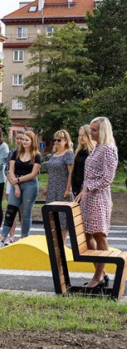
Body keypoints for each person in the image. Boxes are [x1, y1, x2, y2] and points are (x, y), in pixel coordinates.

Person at [75, 117, 118, 289]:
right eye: (91, 129)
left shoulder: (108, 149)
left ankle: (98, 275)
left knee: (99, 234)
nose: (90, 132)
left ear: (103, 131)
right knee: (87, 236)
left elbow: (108, 178)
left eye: (94, 130)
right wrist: (83, 191)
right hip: (88, 197)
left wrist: (88, 188)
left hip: (99, 197)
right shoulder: (97, 148)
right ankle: (102, 273)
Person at [0, 131, 41, 250]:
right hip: (16, 183)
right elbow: (10, 170)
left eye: (26, 140)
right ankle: (2, 238)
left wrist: (17, 180)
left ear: (32, 141)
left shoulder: (36, 155)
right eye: (23, 140)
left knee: (26, 213)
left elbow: (33, 174)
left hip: (30, 184)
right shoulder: (16, 153)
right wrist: (16, 186)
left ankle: (24, 238)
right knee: (10, 210)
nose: (23, 142)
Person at [42, 130, 74, 243]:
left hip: (62, 188)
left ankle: (62, 243)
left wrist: (68, 189)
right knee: (52, 216)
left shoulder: (68, 153)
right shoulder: (53, 154)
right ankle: (54, 243)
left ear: (66, 141)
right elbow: (51, 173)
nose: (56, 142)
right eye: (54, 139)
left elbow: (71, 173)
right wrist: (46, 187)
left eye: (59, 140)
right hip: (52, 189)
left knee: (62, 217)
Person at [3, 130, 25, 245]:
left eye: (22, 138)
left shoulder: (28, 153)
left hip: (24, 183)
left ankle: (23, 236)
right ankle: (11, 236)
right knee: (12, 211)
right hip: (11, 183)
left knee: (23, 211)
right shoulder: (12, 152)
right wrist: (13, 182)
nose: (20, 141)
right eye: (18, 138)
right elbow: (7, 169)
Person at [71, 125, 95, 199]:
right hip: (77, 188)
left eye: (83, 135)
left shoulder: (93, 152)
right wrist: (74, 187)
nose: (81, 137)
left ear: (89, 136)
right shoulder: (78, 152)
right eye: (79, 135)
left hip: (88, 189)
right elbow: (74, 171)